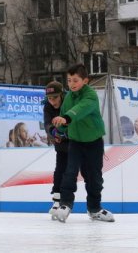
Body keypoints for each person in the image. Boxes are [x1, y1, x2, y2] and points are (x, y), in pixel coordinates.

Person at [51, 63, 114, 223]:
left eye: (75, 80)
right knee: (69, 172)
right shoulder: (68, 98)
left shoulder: (91, 96)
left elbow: (80, 109)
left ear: (85, 81)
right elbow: (64, 118)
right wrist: (59, 131)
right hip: (76, 143)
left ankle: (94, 209)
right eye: (69, 80)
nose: (71, 84)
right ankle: (65, 204)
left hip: (94, 143)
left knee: (94, 177)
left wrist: (66, 118)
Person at [42, 81, 68, 219]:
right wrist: (53, 132)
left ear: (62, 95)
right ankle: (57, 200)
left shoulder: (69, 101)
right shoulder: (47, 106)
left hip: (77, 142)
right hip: (61, 143)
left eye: (55, 98)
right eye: (50, 98)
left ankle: (93, 206)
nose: (52, 102)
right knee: (60, 170)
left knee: (80, 172)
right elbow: (47, 123)